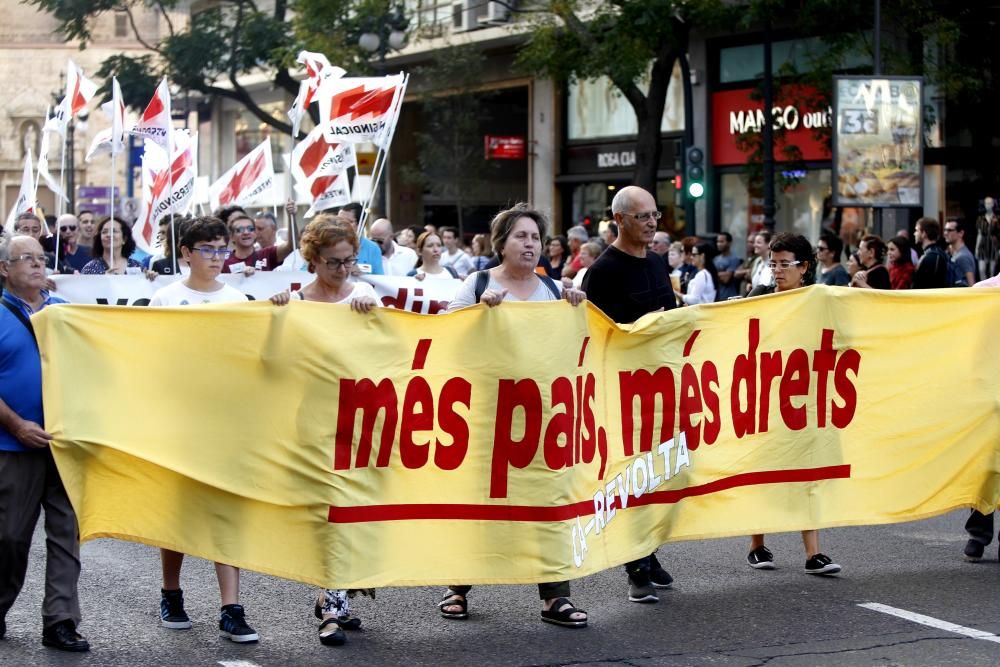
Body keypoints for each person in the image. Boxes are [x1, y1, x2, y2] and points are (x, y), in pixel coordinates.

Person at [440, 203, 588, 628]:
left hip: (543, 417)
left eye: (536, 238)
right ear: (502, 242)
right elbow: (445, 335)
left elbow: (577, 348)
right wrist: (477, 312)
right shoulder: (477, 282)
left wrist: (577, 308)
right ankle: (457, 586)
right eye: (521, 236)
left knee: (549, 500)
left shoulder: (557, 291)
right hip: (487, 413)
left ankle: (555, 596)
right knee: (481, 501)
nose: (530, 244)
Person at [146, 218, 259, 644]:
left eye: (222, 249)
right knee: (177, 513)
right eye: (208, 249)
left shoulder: (238, 299)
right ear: (186, 252)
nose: (217, 257)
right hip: (180, 421)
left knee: (223, 513)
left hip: (225, 421)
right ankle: (171, 593)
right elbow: (152, 358)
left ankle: (231, 608)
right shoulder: (166, 298)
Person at [269, 216, 377, 646]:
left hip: (363, 415)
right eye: (334, 262)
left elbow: (389, 352)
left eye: (349, 260)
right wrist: (278, 317)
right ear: (312, 259)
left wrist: (372, 318)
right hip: (315, 417)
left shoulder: (365, 294)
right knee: (329, 509)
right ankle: (331, 603)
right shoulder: (295, 301)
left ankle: (337, 595)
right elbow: (275, 362)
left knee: (355, 509)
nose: (343, 269)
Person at [581, 185, 676, 602]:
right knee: (628, 477)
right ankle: (635, 566)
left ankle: (649, 551)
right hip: (621, 392)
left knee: (657, 476)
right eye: (643, 216)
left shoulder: (657, 263)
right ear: (619, 220)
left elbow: (672, 318)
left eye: (655, 215)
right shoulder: (602, 272)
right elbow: (598, 336)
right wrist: (640, 328)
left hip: (661, 386)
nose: (652, 223)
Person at [0, 236, 88, 652]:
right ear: (4, 268)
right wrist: (17, 425)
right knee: (9, 537)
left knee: (66, 534)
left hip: (65, 444)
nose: (37, 265)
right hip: (12, 447)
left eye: (40, 259)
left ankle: (61, 621)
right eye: (26, 259)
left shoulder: (65, 313)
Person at [744, 233, 842, 576]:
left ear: (805, 267)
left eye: (785, 264)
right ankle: (757, 545)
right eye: (773, 264)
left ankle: (813, 553)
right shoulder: (758, 297)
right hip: (765, 398)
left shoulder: (818, 299)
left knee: (807, 475)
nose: (777, 271)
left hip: (805, 399)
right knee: (762, 473)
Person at [222, 208, 295, 274]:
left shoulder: (266, 254)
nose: (246, 232)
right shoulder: (223, 261)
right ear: (231, 236)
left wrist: (291, 217)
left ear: (255, 233)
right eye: (240, 230)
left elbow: (291, 246)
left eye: (250, 229)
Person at [677, 241, 719, 305]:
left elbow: (694, 300)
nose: (691, 257)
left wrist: (675, 292)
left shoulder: (702, 275)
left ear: (702, 256)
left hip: (701, 313)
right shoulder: (708, 273)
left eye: (694, 255)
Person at [912, 218, 948, 289]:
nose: (914, 234)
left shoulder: (931, 256)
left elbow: (922, 285)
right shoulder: (937, 253)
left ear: (924, 233)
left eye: (917, 230)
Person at [944, 219, 975, 287]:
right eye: (945, 230)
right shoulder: (950, 253)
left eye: (949, 230)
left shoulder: (963, 256)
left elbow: (971, 284)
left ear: (961, 233)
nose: (945, 233)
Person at [713, 232, 742, 300]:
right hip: (717, 297)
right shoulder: (715, 259)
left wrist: (713, 274)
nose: (719, 244)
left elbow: (726, 279)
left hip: (729, 297)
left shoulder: (734, 259)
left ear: (729, 243)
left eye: (722, 241)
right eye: (718, 241)